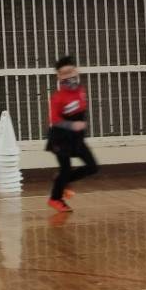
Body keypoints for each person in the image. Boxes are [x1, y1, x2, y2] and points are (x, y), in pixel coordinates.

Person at [45, 56, 98, 212]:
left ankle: (61, 180)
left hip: (76, 138)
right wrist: (72, 125)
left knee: (92, 167)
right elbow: (54, 120)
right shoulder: (57, 98)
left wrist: (79, 128)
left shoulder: (81, 90)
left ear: (76, 71)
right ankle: (55, 199)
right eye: (64, 74)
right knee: (66, 169)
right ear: (59, 77)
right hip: (60, 138)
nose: (68, 76)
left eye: (70, 71)